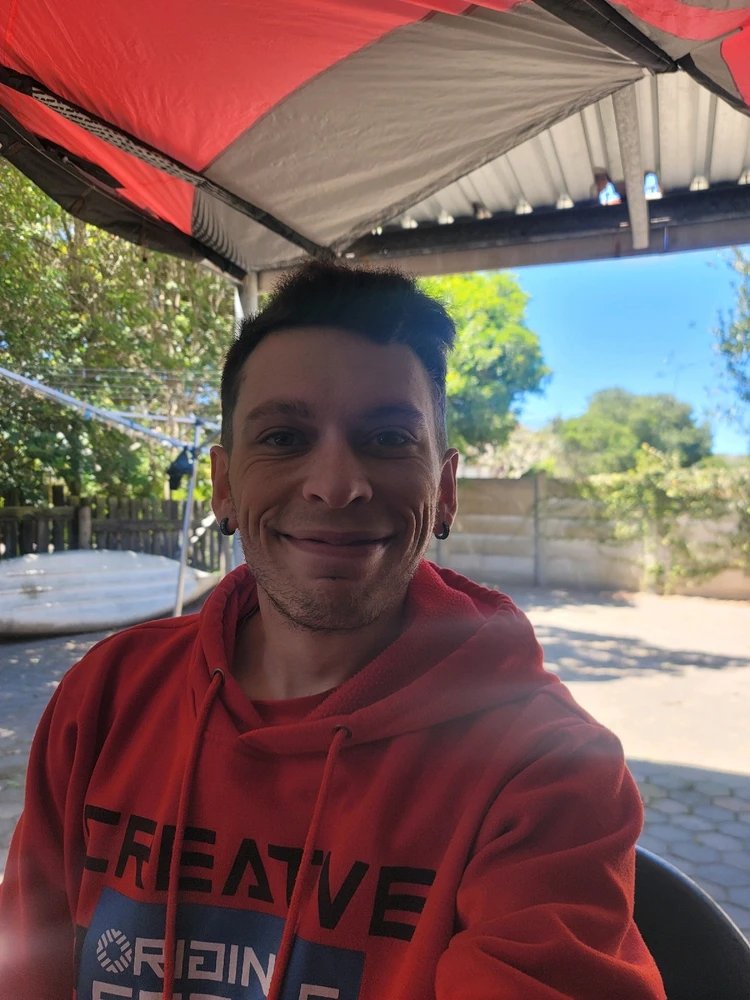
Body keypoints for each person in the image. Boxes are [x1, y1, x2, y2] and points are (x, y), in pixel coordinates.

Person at [0, 261, 666, 1000]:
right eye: (284, 437)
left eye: (389, 437)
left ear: (445, 490)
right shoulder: (106, 696)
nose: (336, 485)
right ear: (223, 485)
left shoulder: (547, 767)